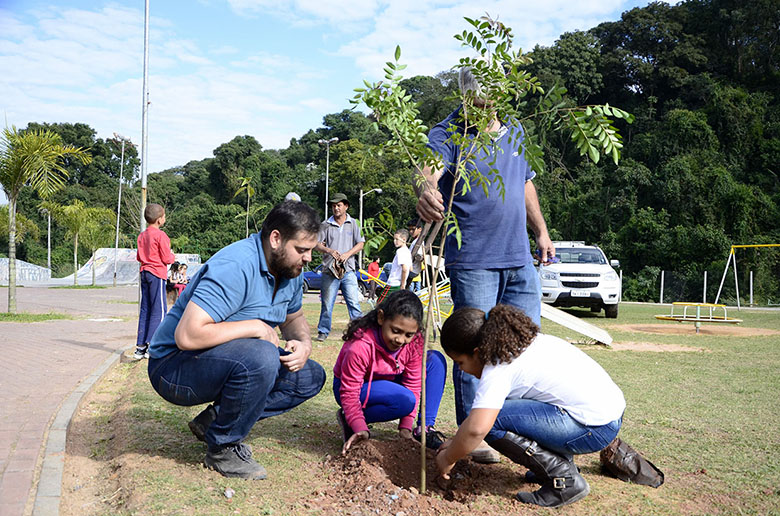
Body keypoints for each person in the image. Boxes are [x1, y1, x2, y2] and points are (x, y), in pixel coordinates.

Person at [415, 65, 556, 463]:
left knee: (526, 348)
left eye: (487, 100)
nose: (480, 108)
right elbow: (428, 168)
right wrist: (427, 190)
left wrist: (541, 231)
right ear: (463, 98)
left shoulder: (515, 129)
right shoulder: (448, 132)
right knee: (472, 350)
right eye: (473, 101)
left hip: (519, 261)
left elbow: (525, 183)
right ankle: (472, 437)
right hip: (473, 260)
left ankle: (514, 431)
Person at [147, 201, 327, 480]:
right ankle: (223, 448)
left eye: (311, 251)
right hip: (172, 368)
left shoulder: (289, 271)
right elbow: (187, 335)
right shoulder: (236, 265)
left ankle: (216, 422)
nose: (307, 259)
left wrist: (304, 344)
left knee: (310, 376)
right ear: (276, 239)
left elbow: (293, 319)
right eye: (301, 250)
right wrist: (255, 326)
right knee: (263, 356)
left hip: (224, 360)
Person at [437, 304, 625, 508]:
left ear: (477, 352)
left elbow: (476, 428)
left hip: (594, 429)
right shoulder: (520, 344)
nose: (461, 370)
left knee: (492, 420)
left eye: (460, 362)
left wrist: (448, 458)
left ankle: (565, 480)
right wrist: (457, 441)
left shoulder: (498, 367)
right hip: (605, 418)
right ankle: (558, 466)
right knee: (497, 411)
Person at [333, 290, 447, 454]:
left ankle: (424, 430)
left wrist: (406, 427)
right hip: (354, 388)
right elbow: (349, 391)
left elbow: (413, 383)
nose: (400, 340)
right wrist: (359, 426)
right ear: (381, 318)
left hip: (390, 382)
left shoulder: (414, 342)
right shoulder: (360, 346)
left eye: (408, 334)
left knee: (435, 361)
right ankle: (350, 419)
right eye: (395, 331)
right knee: (404, 400)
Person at [315, 192, 365, 341]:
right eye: (333, 206)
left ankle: (359, 332)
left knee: (354, 303)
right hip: (330, 270)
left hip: (348, 270)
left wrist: (347, 254)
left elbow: (361, 243)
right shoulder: (325, 224)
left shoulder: (354, 223)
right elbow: (315, 244)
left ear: (346, 206)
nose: (336, 208)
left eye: (339, 205)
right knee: (327, 304)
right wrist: (329, 250)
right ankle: (323, 332)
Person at [135, 203, 176, 360]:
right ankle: (153, 345)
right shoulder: (161, 236)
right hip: (156, 273)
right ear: (159, 220)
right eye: (164, 216)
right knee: (159, 309)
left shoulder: (142, 235)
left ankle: (140, 347)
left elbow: (139, 257)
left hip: (144, 272)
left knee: (146, 309)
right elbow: (166, 258)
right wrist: (173, 257)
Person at [377, 229, 411, 304]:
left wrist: (402, 284)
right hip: (398, 284)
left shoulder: (400, 251)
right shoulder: (408, 252)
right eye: (394, 239)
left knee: (379, 304)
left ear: (404, 239)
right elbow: (410, 268)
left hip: (393, 283)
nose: (394, 241)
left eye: (397, 239)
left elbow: (405, 269)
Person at [406, 219, 423, 292]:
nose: (411, 232)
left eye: (413, 229)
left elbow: (419, 255)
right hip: (413, 269)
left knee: (387, 266)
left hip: (412, 269)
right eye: (409, 230)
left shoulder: (419, 241)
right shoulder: (415, 240)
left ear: (420, 229)